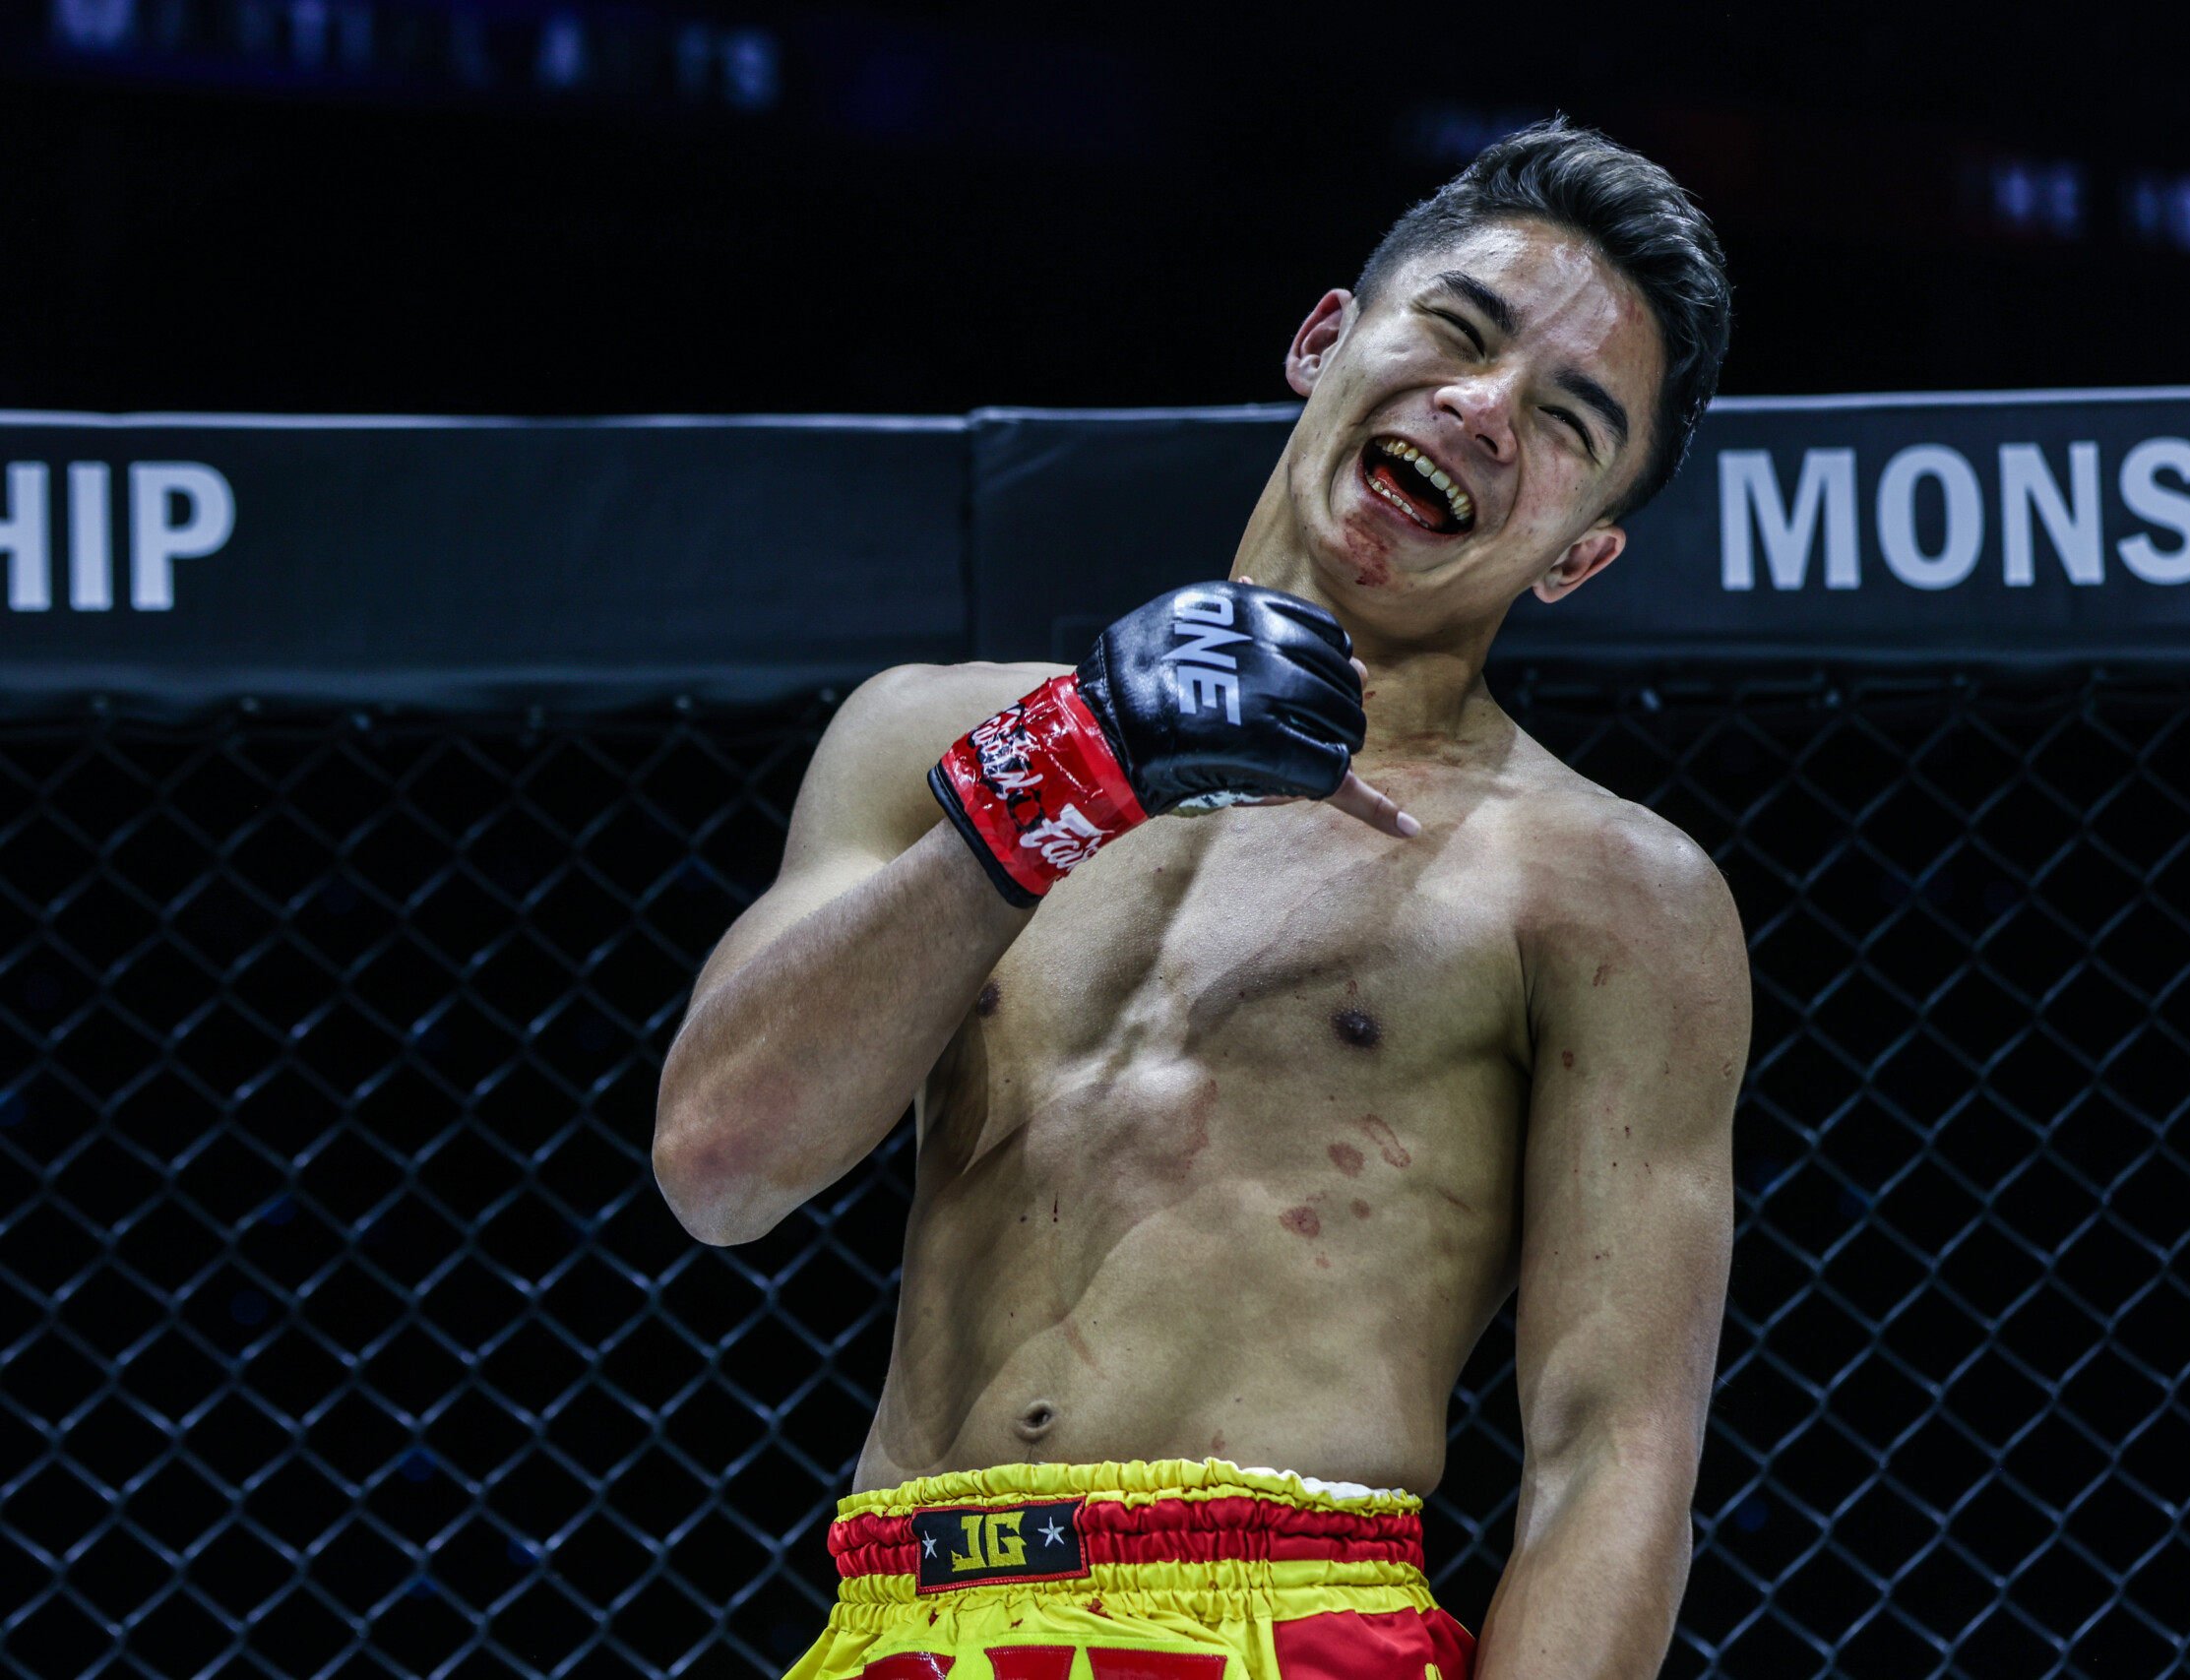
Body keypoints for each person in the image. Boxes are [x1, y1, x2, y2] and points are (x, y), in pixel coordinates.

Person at [654, 117, 1746, 1679]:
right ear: (1324, 340)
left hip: (1294, 1626)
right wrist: (1068, 769)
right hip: (904, 1616)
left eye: (1567, 419)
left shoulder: (1608, 892)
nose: (1486, 410)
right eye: (1459, 332)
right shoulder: (932, 741)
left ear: (1576, 557)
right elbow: (719, 1166)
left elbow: (1613, 1455)